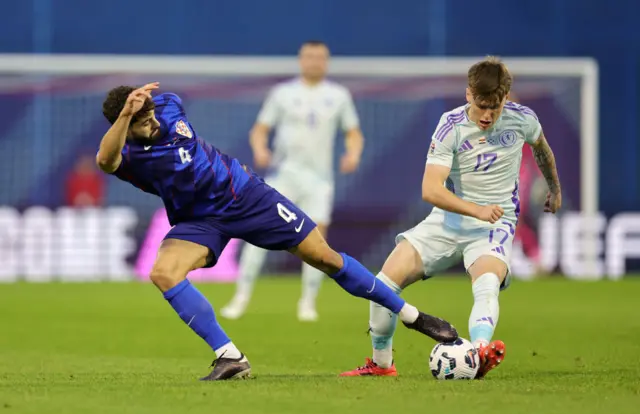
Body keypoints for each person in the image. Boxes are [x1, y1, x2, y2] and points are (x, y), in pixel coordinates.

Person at [96, 82, 458, 381]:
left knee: (326, 258)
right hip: (200, 219)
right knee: (163, 272)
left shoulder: (169, 104)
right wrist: (127, 115)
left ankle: (414, 317)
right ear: (125, 127)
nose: (152, 122)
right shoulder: (128, 156)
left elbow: (156, 108)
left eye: (149, 114)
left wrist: (139, 106)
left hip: (247, 195)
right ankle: (230, 356)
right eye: (140, 121)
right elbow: (105, 161)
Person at [340, 57, 562, 379]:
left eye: (495, 107)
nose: (487, 115)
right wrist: (476, 209)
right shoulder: (451, 125)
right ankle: (381, 364)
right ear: (469, 94)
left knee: (486, 283)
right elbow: (430, 190)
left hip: (495, 225)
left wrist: (554, 188)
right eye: (482, 105)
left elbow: (542, 148)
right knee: (383, 284)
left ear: (506, 99)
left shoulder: (523, 119)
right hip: (447, 221)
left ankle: (479, 351)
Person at [221, 41, 363, 322]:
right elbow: (260, 129)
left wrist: (353, 153)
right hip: (283, 175)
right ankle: (241, 297)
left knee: (317, 240)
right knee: (258, 232)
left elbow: (353, 132)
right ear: (300, 60)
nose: (314, 62)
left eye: (319, 57)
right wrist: (260, 148)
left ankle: (308, 302)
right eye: (309, 57)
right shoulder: (283, 93)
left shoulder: (338, 95)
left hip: (319, 180)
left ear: (327, 61)